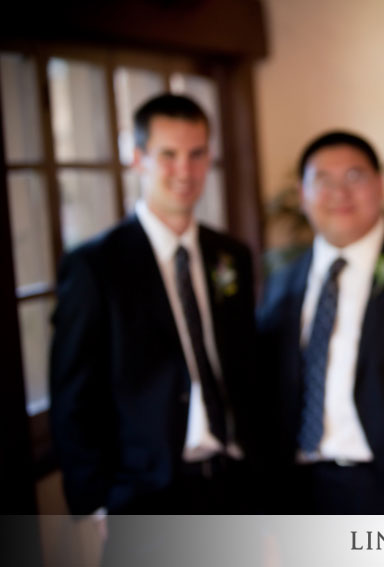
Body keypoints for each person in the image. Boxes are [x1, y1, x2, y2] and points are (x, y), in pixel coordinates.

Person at [50, 93, 258, 520]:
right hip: (143, 493)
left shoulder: (230, 254)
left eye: (197, 154)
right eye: (169, 155)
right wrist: (95, 503)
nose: (185, 170)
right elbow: (73, 394)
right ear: (138, 158)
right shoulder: (95, 265)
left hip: (232, 484)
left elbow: (246, 365)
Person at [257, 131, 384, 513]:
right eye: (323, 181)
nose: (339, 193)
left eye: (354, 177)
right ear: (302, 195)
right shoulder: (281, 283)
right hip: (304, 493)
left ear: (379, 185)